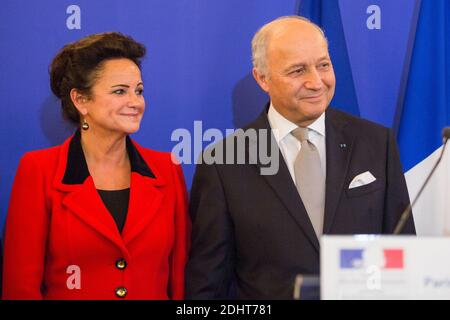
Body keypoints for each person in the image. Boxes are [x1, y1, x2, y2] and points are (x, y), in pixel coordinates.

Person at [185, 16, 416, 299]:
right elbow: (208, 285)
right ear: (262, 78)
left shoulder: (376, 143)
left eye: (323, 65)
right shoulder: (223, 163)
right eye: (298, 70)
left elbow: (403, 258)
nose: (316, 82)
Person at [2, 32, 190, 300]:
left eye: (138, 91)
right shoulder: (39, 170)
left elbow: (181, 277)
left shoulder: (166, 170)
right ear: (80, 100)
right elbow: (20, 288)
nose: (135, 102)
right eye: (119, 91)